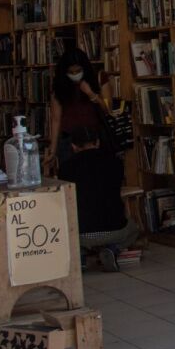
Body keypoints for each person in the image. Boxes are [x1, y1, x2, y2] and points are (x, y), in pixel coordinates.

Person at [59, 126, 138, 270]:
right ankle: (113, 249)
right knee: (134, 229)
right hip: (115, 229)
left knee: (65, 230)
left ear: (74, 146)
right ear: (97, 142)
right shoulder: (115, 162)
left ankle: (81, 254)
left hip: (80, 233)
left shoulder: (66, 168)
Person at [46, 46, 106, 168]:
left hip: (93, 139)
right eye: (71, 72)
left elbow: (106, 109)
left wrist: (90, 93)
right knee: (71, 176)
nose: (75, 75)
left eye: (78, 71)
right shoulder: (60, 88)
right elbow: (56, 120)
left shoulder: (96, 80)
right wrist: (53, 150)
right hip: (69, 141)